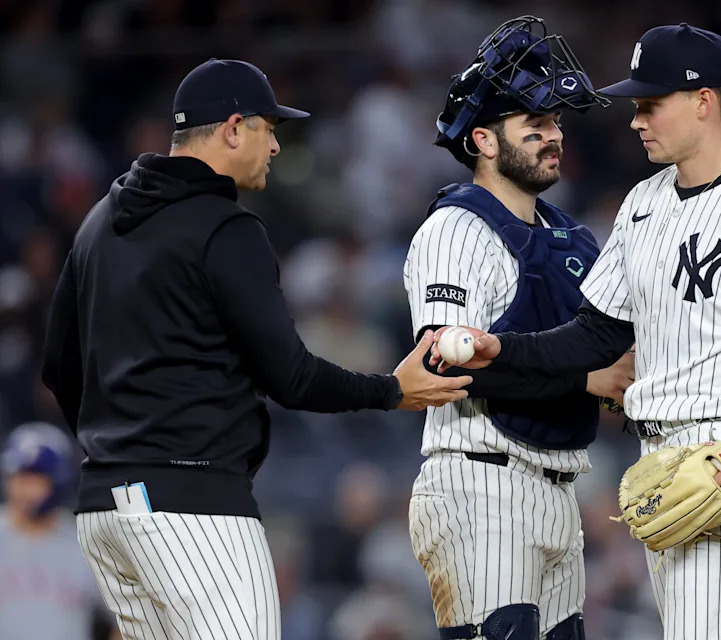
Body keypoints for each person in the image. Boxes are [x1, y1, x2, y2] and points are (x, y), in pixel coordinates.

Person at [431, 23, 721, 640]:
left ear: (703, 101)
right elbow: (595, 336)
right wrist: (502, 348)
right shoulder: (642, 202)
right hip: (667, 468)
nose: (635, 120)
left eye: (650, 104)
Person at [39, 57, 471, 640]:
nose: (274, 147)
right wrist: (391, 390)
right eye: (269, 129)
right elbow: (290, 377)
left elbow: (58, 366)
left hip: (103, 510)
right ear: (233, 128)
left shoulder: (98, 222)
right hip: (192, 507)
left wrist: (116, 450)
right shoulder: (226, 228)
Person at [403, 16, 633, 640]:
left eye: (555, 123)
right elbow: (442, 369)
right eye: (533, 125)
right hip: (480, 477)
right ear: (482, 138)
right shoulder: (456, 229)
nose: (552, 135)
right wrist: (588, 380)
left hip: (560, 487)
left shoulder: (575, 238)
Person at [0, 422, 119, 640]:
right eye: (18, 476)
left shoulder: (84, 541)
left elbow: (125, 619)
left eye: (34, 478)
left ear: (58, 480)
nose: (22, 488)